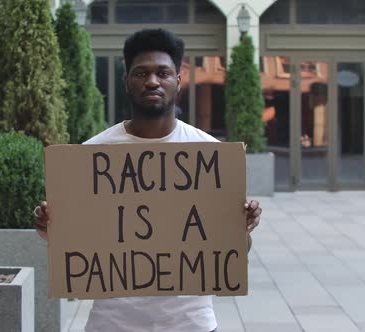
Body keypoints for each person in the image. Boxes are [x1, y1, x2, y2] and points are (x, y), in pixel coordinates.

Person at [34, 28, 262, 332]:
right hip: (112, 324)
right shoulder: (90, 156)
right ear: (127, 82)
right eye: (141, 73)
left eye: (162, 73)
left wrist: (240, 229)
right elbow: (80, 244)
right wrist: (52, 227)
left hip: (190, 324)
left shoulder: (210, 154)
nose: (152, 81)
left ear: (178, 81)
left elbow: (232, 251)